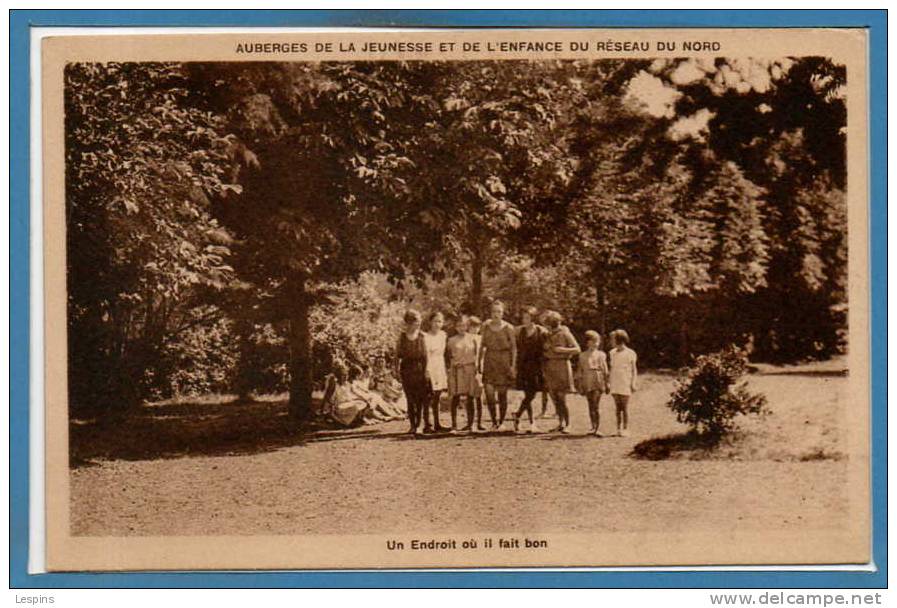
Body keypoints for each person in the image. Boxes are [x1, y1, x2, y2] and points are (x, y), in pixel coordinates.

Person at [478, 300, 517, 430]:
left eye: (499, 311)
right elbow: (481, 345)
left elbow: (513, 348)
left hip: (503, 360)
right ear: (490, 312)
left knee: (502, 393)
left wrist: (512, 365)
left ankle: (501, 422)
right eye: (494, 311)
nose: (496, 314)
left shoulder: (508, 327)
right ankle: (494, 421)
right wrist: (479, 362)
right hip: (490, 359)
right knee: (489, 393)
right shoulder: (486, 326)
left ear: (503, 313)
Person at [542, 310, 581, 433]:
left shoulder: (565, 333)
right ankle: (560, 423)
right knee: (554, 396)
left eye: (547, 323)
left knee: (561, 397)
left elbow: (577, 349)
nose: (546, 326)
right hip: (550, 366)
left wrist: (562, 350)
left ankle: (568, 424)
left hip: (562, 366)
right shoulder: (548, 335)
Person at [513, 306, 547, 433]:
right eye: (523, 318)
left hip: (536, 366)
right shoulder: (519, 331)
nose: (524, 320)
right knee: (528, 394)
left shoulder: (541, 331)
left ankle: (518, 415)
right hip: (523, 366)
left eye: (527, 318)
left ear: (533, 318)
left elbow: (545, 348)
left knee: (531, 394)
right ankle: (531, 422)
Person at [395, 309, 428, 435]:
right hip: (407, 369)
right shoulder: (402, 337)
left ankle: (419, 425)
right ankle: (412, 425)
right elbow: (396, 355)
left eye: (419, 321)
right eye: (416, 321)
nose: (418, 324)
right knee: (410, 398)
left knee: (419, 398)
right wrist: (396, 371)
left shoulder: (422, 336)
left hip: (420, 369)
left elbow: (425, 357)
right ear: (409, 322)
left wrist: (425, 371)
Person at [446, 315, 479, 432]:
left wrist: (477, 370)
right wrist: (451, 367)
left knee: (470, 397)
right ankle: (454, 425)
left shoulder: (473, 338)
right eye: (459, 325)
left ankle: (471, 424)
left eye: (463, 325)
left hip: (470, 369)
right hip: (456, 370)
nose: (461, 328)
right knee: (455, 397)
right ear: (455, 327)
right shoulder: (451, 340)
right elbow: (448, 356)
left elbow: (477, 355)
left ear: (467, 326)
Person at [575, 330, 610, 436]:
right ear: (587, 342)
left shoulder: (601, 355)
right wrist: (580, 385)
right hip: (587, 380)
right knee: (590, 404)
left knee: (596, 404)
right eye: (593, 341)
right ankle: (593, 426)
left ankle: (597, 428)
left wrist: (607, 383)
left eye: (597, 341)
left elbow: (605, 370)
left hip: (598, 379)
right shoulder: (582, 355)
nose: (596, 344)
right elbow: (580, 371)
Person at [608, 328, 638, 437]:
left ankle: (625, 429)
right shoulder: (612, 353)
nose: (611, 342)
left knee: (624, 407)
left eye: (612, 339)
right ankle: (618, 428)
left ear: (619, 340)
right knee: (617, 407)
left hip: (625, 381)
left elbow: (634, 369)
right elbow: (611, 369)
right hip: (615, 381)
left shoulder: (630, 353)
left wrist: (633, 382)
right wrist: (609, 382)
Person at [422, 311, 448, 433]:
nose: (437, 324)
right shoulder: (426, 337)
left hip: (439, 365)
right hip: (430, 365)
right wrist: (427, 369)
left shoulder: (443, 335)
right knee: (428, 396)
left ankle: (437, 423)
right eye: (435, 321)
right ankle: (427, 424)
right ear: (430, 322)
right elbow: (426, 355)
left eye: (440, 321)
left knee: (437, 395)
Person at [467, 316, 487, 431]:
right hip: (469, 368)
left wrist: (480, 368)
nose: (474, 329)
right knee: (470, 396)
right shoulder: (466, 338)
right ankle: (470, 423)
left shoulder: (481, 338)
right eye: (471, 326)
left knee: (479, 396)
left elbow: (483, 354)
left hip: (480, 368)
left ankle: (480, 422)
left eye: (476, 326)